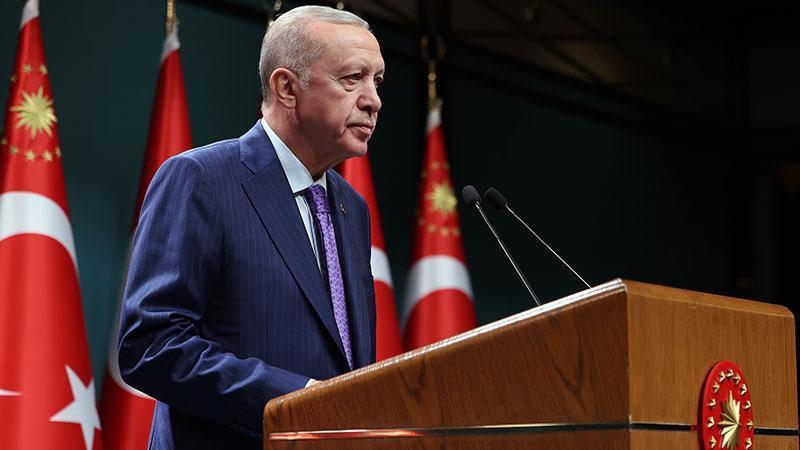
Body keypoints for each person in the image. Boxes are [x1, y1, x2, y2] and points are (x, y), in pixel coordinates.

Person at [117, 6, 383, 450]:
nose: (372, 100)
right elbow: (151, 345)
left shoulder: (351, 208)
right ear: (286, 87)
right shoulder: (202, 179)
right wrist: (297, 400)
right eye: (352, 78)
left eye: (377, 81)